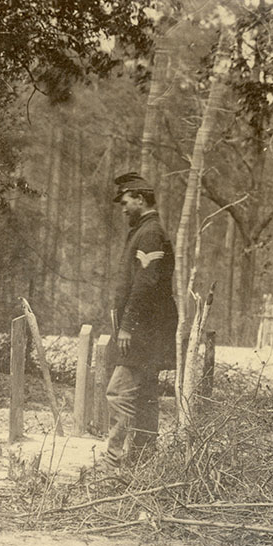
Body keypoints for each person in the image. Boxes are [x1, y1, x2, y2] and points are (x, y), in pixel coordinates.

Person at [104, 172, 178, 469]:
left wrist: (127, 327)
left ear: (140, 199)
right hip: (148, 330)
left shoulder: (149, 233)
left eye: (126, 201)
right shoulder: (144, 230)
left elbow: (145, 285)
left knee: (119, 392)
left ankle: (112, 464)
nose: (123, 208)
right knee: (145, 394)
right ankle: (142, 463)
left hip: (143, 331)